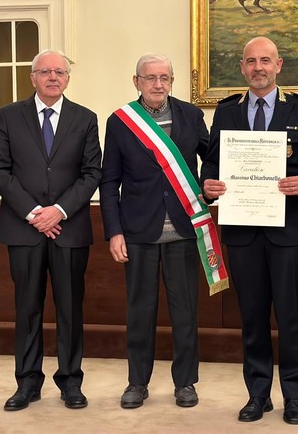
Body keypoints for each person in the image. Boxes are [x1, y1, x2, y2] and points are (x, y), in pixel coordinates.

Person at [201, 36, 298, 425]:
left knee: (291, 315)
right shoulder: (226, 113)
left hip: (288, 230)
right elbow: (210, 165)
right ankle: (258, 394)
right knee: (252, 316)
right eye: (251, 61)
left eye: (265, 61)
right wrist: (208, 185)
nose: (258, 68)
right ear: (242, 68)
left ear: (279, 65)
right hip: (242, 231)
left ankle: (293, 395)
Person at [0, 50, 102, 411]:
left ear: (68, 78)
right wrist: (35, 212)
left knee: (70, 308)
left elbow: (92, 173)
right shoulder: (8, 116)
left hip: (69, 228)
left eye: (60, 72)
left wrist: (59, 211)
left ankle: (70, 381)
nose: (53, 77)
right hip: (24, 229)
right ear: (32, 77)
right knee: (27, 308)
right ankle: (27, 382)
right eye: (45, 72)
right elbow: (0, 169)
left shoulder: (85, 118)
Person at [100, 54, 210, 410]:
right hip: (138, 233)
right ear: (137, 82)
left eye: (164, 77)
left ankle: (186, 383)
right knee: (140, 312)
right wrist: (114, 231)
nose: (158, 84)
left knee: (185, 313)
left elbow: (212, 159)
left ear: (172, 80)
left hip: (183, 231)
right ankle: (137, 383)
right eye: (150, 78)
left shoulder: (191, 116)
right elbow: (109, 180)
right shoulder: (120, 121)